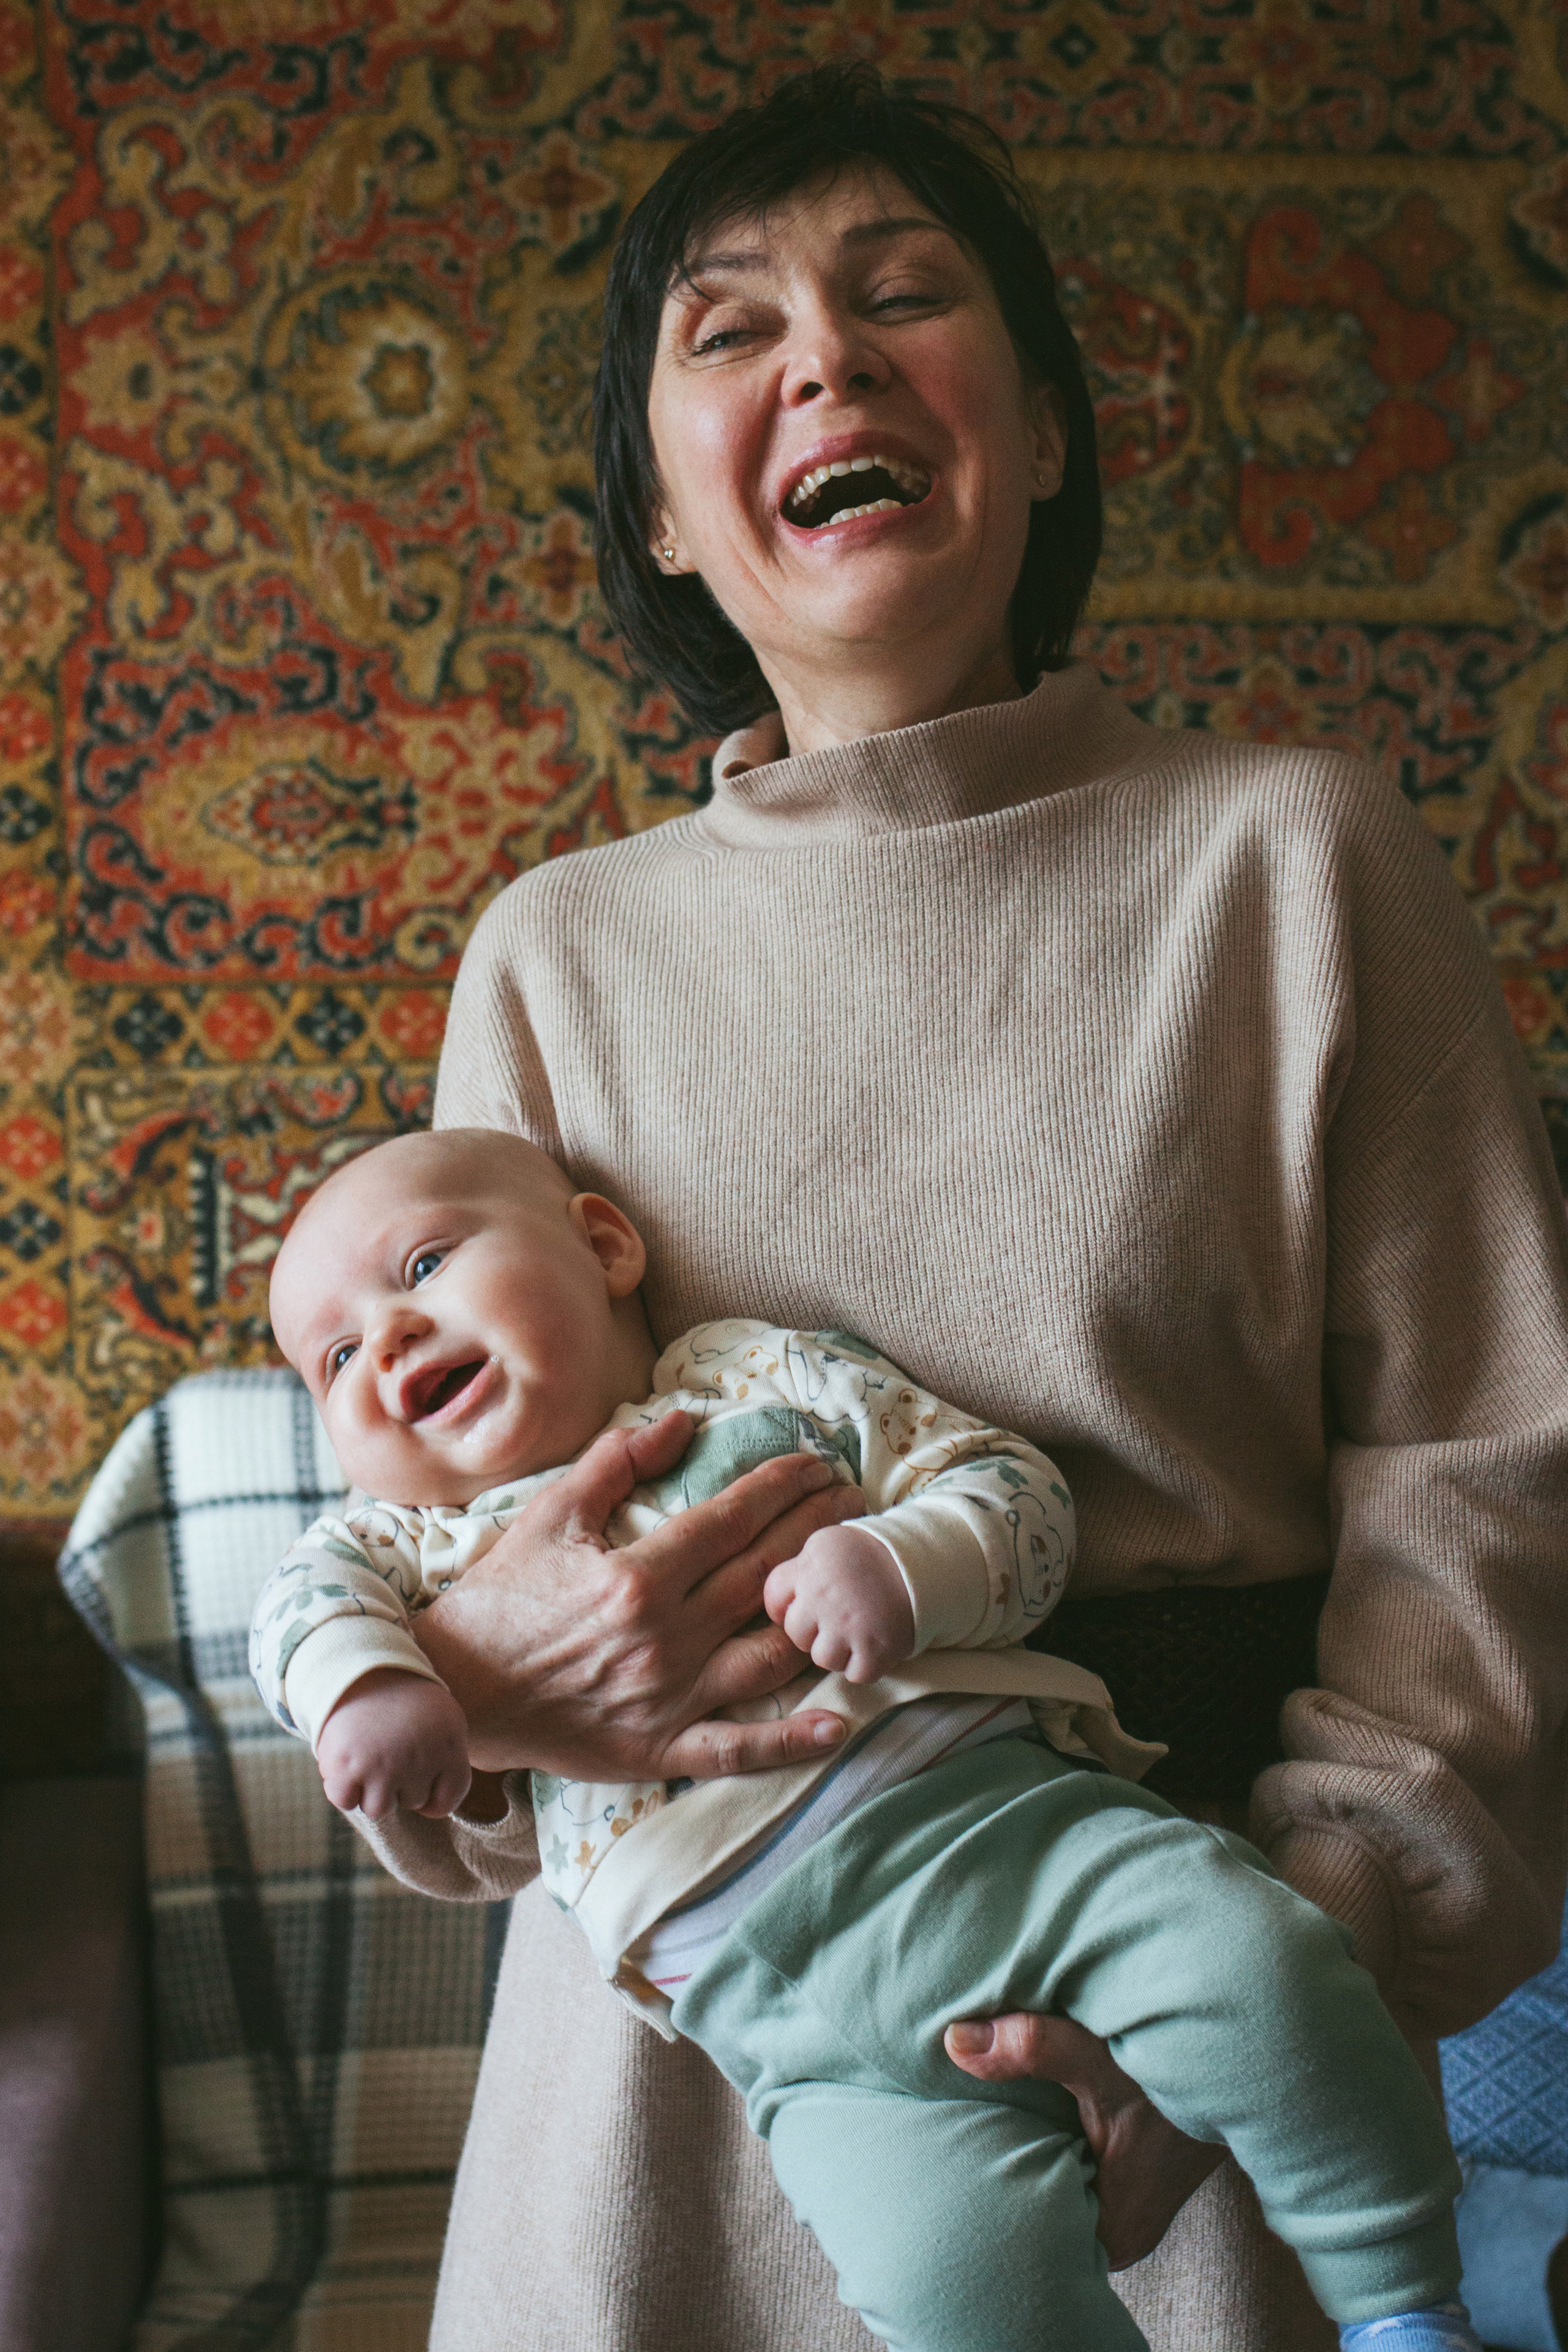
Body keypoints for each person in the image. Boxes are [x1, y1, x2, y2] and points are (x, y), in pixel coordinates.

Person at [311, 63, 1568, 2352]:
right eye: (731, 329)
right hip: (682, 2067)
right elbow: (437, 1523)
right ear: (667, 519)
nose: (829, 358)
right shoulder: (555, 950)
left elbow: (1483, 1477)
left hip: (1172, 1972)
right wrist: (486, 1689)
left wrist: (1310, 1937)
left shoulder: (1299, 855)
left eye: (907, 295)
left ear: (1053, 432)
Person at [255, 1126, 1481, 2352]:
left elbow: (1011, 1494)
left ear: (603, 1243)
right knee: (946, 2279)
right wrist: (389, 1694)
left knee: (1265, 1973)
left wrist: (909, 1561)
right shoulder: (396, 1549)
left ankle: (1396, 2304)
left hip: (1018, 1847)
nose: (389, 1343)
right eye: (336, 1356)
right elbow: (298, 1625)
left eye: (418, 1271)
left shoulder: (749, 1380)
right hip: (789, 2027)